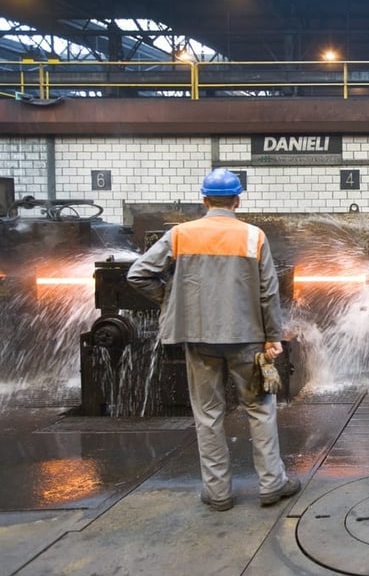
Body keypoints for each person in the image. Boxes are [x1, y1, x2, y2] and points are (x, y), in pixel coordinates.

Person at [126, 167, 300, 511]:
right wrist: (272, 337)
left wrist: (172, 300)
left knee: (207, 414)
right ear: (237, 200)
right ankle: (271, 485)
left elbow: (138, 274)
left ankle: (218, 493)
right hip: (247, 337)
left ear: (204, 200)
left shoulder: (180, 235)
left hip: (199, 336)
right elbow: (268, 292)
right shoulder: (254, 237)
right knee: (260, 409)